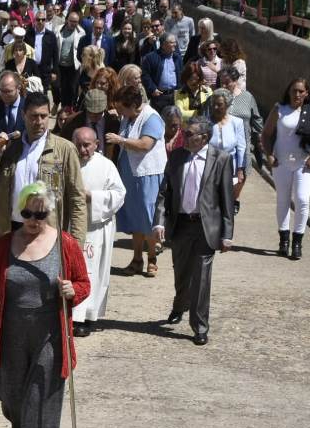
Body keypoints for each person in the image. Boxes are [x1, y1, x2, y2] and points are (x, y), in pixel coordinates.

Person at [0, 181, 90, 428]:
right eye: (27, 213)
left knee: (41, 402)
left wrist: (73, 290)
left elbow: (83, 283)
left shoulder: (65, 245)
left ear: (50, 213)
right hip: (11, 334)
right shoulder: (5, 245)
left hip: (50, 336)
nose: (32, 220)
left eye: (39, 215)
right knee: (13, 400)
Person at [153, 119, 235, 346]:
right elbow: (165, 192)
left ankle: (199, 326)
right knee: (182, 273)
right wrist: (159, 223)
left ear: (204, 138)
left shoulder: (221, 159)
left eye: (189, 134)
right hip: (181, 224)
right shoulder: (177, 156)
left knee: (201, 278)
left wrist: (227, 234)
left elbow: (227, 199)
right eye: (184, 133)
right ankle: (180, 305)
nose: (184, 137)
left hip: (205, 227)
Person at [0, 91, 88, 246]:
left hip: (47, 231)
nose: (39, 122)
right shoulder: (10, 149)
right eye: (34, 116)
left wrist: (76, 244)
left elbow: (77, 199)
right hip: (10, 231)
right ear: (23, 115)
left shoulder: (64, 150)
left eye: (44, 116)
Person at [261, 78, 310, 260]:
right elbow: (265, 134)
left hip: (304, 163)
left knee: (302, 199)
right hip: (281, 162)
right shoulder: (279, 109)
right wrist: (269, 155)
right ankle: (284, 240)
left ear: (307, 93)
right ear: (288, 92)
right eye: (294, 91)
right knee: (283, 199)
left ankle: (297, 242)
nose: (297, 94)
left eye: (300, 91)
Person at [105, 86, 167, 277]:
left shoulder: (152, 118)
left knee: (148, 218)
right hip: (129, 174)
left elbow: (145, 145)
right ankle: (137, 258)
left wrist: (120, 140)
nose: (120, 112)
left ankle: (152, 258)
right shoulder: (128, 116)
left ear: (133, 105)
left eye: (122, 108)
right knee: (135, 218)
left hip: (148, 174)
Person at [70, 128, 125, 337]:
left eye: (87, 145)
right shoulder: (67, 162)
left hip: (96, 228)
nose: (82, 149)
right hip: (71, 226)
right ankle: (69, 314)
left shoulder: (106, 166)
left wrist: (92, 196)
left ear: (96, 144)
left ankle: (86, 317)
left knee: (92, 271)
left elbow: (119, 194)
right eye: (78, 145)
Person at [207, 89, 247, 212]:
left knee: (227, 200)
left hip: (230, 166)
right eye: (214, 104)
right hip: (209, 165)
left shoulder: (237, 122)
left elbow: (241, 147)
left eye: (219, 104)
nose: (216, 107)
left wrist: (240, 169)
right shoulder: (206, 122)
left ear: (227, 105)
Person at [219, 67, 263, 170]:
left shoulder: (248, 97)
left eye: (227, 82)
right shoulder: (216, 98)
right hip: (222, 148)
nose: (223, 86)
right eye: (222, 83)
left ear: (235, 81)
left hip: (243, 148)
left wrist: (260, 139)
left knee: (241, 176)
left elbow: (257, 121)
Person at [141, 33, 181, 112]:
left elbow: (181, 74)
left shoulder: (177, 58)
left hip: (175, 95)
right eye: (172, 42)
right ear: (163, 45)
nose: (175, 44)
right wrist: (152, 89)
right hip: (159, 96)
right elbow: (145, 75)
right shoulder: (151, 57)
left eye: (175, 42)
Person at [25, 10, 59, 99]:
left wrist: (54, 71)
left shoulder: (51, 35)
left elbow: (55, 54)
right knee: (31, 93)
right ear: (34, 20)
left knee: (43, 93)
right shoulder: (28, 34)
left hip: (45, 70)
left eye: (43, 19)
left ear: (45, 20)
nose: (40, 21)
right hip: (31, 69)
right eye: (38, 19)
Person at [58, 12, 85, 107]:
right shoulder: (58, 30)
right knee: (62, 88)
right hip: (60, 65)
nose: (73, 23)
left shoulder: (81, 33)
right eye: (71, 21)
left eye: (76, 22)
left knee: (73, 89)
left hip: (74, 66)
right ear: (67, 20)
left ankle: (71, 108)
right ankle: (63, 108)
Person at [0, 71, 26, 140]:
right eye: (2, 91)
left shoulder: (28, 107)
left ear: (18, 88)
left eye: (8, 91)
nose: (5, 95)